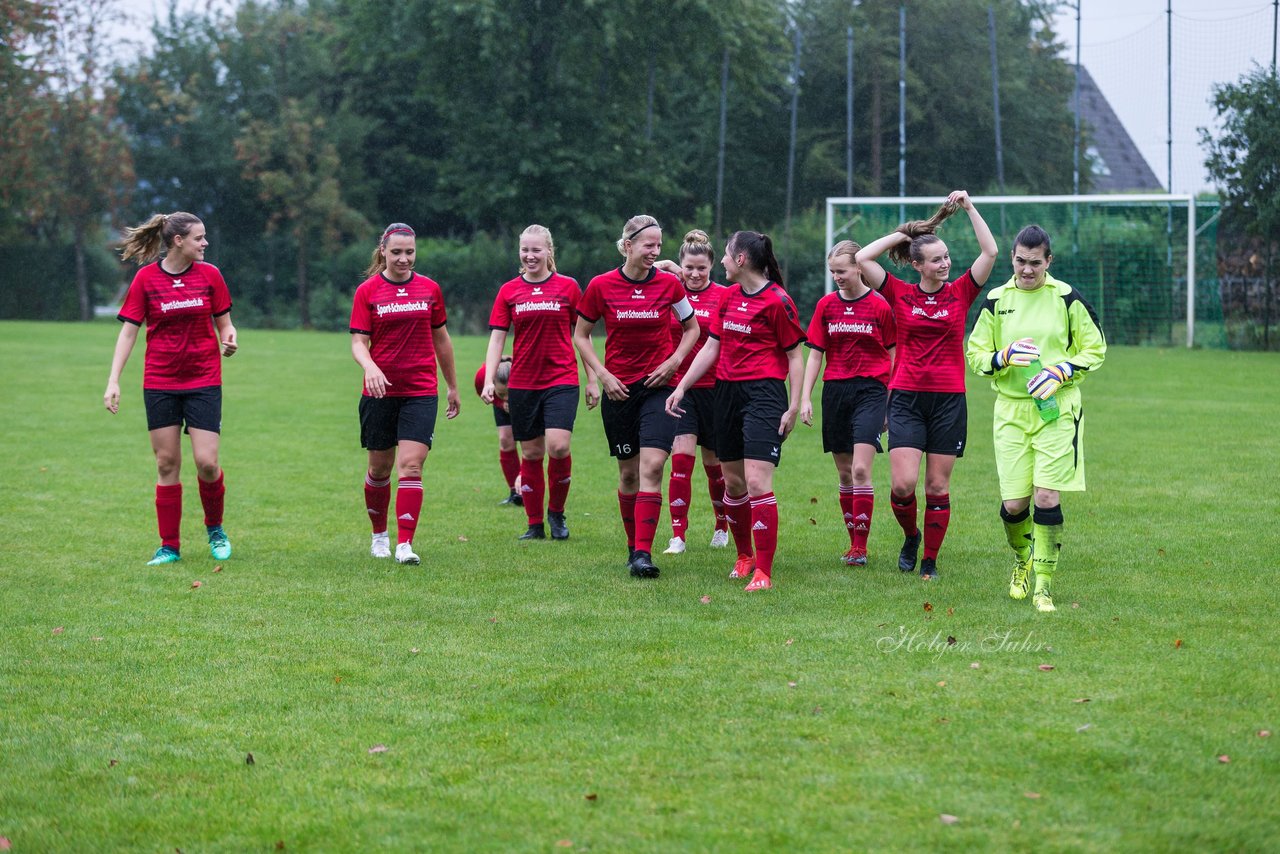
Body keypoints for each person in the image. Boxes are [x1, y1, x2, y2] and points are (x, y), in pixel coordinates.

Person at [854, 190, 998, 579]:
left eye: (947, 257)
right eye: (936, 259)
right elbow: (862, 258)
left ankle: (930, 561)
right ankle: (912, 535)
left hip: (949, 401)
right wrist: (904, 235)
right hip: (905, 399)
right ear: (917, 265)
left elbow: (990, 253)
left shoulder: (960, 293)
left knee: (936, 486)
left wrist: (969, 208)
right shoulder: (899, 294)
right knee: (902, 486)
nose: (946, 263)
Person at [966, 224, 1106, 612]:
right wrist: (1003, 356)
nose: (1027, 270)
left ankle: (1044, 585)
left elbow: (1094, 349)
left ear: (1049, 262)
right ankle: (1022, 558)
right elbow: (975, 355)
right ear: (1012, 257)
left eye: (1035, 263)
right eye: (1021, 261)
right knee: (1014, 504)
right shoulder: (996, 300)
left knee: (1046, 495)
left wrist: (1061, 371)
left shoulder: (1065, 297)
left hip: (1057, 410)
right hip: (1010, 412)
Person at [666, 231, 806, 591]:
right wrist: (681, 387)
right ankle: (744, 556)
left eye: (726, 255)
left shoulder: (778, 301)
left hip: (763, 396)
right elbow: (711, 347)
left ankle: (764, 570)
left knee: (758, 481)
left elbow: (794, 356)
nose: (724, 262)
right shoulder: (729, 297)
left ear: (741, 259)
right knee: (733, 482)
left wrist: (793, 405)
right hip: (724, 393)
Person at [105, 212, 238, 565]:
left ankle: (215, 530)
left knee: (207, 463)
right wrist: (113, 379)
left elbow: (225, 324)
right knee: (166, 463)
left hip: (204, 380)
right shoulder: (146, 279)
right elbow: (129, 331)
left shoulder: (211, 276)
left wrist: (229, 338)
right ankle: (169, 546)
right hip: (161, 381)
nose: (205, 243)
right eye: (199, 238)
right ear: (178, 241)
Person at [574, 214, 699, 578]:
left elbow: (692, 327)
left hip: (657, 389)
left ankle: (644, 554)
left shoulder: (669, 286)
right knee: (628, 475)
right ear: (627, 245)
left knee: (653, 466)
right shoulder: (600, 285)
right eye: (649, 245)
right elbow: (581, 335)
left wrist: (674, 361)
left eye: (659, 245)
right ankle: (633, 547)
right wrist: (602, 375)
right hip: (619, 390)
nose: (655, 251)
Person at [350, 222, 460, 565]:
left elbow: (441, 340)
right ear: (383, 251)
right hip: (379, 393)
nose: (403, 259)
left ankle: (404, 545)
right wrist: (371, 367)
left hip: (420, 390)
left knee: (411, 466)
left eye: (409, 252)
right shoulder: (367, 291)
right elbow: (358, 342)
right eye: (396, 252)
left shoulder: (429, 289)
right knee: (380, 469)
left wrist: (453, 385)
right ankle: (379, 536)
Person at [483, 224, 598, 541]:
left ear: (549, 251)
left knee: (559, 447)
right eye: (525, 250)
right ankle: (534, 525)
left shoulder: (568, 287)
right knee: (531, 454)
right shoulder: (509, 291)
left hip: (560, 379)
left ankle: (557, 515)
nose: (530, 255)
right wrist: (490, 379)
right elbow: (497, 339)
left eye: (536, 250)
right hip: (523, 383)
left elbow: (583, 337)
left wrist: (592, 380)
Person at [799, 240, 896, 568]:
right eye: (832, 272)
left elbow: (895, 353)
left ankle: (860, 547)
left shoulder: (880, 305)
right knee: (843, 474)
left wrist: (889, 401)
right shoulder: (826, 306)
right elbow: (815, 355)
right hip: (835, 392)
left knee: (859, 469)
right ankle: (852, 543)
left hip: (871, 391)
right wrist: (804, 398)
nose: (837, 277)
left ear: (859, 268)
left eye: (841, 271)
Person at [660, 230, 731, 556]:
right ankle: (679, 535)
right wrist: (668, 267)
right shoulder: (672, 293)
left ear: (712, 266)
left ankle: (721, 525)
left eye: (701, 268)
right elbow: (645, 270)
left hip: (716, 390)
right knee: (681, 460)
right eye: (689, 267)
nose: (695, 273)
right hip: (681, 389)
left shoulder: (724, 296)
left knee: (714, 466)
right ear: (681, 265)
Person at [473, 357, 522, 506]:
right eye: (502, 393)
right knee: (505, 441)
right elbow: (482, 393)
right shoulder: (482, 376)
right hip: (499, 405)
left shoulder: (522, 373)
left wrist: (514, 402)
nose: (506, 397)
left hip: (525, 398)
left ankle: (527, 487)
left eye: (509, 393)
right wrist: (501, 402)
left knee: (531, 444)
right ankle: (515, 494)